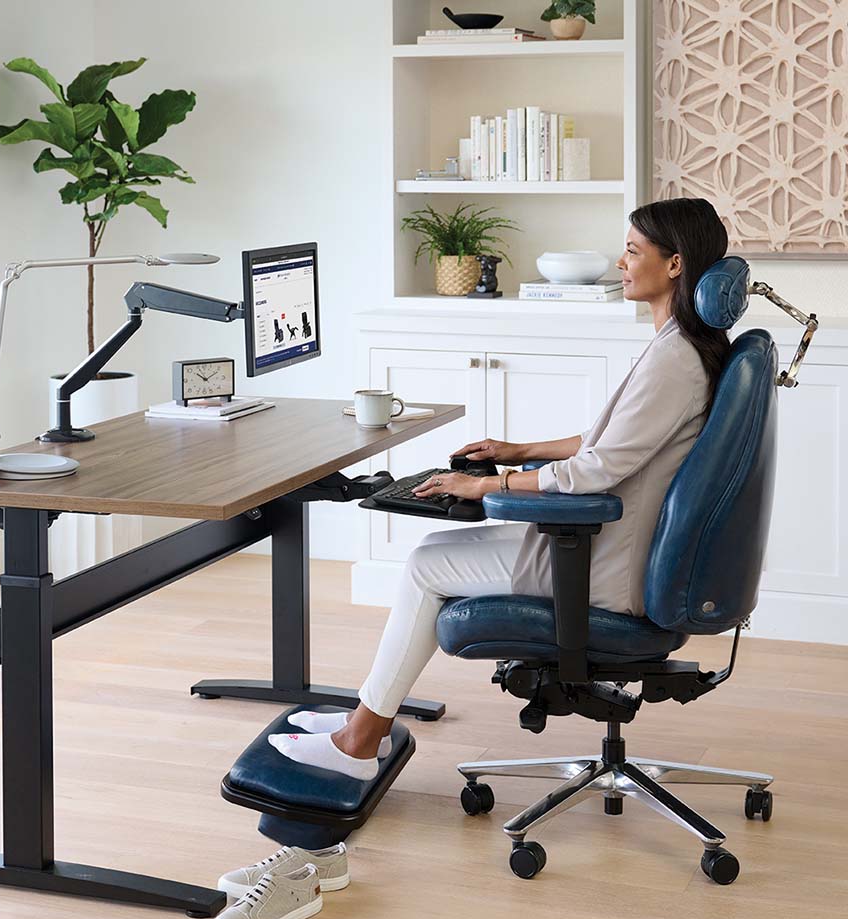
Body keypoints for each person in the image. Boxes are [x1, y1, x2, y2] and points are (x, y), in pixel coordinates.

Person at [269, 197, 732, 781]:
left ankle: (359, 741)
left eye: (633, 250)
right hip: (611, 548)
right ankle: (362, 723)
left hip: (604, 567)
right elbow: (613, 439)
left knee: (423, 564)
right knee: (432, 557)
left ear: (674, 265)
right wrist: (520, 450)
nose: (620, 261)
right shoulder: (682, 350)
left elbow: (596, 470)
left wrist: (488, 484)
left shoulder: (674, 361)